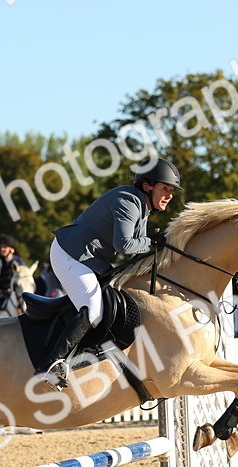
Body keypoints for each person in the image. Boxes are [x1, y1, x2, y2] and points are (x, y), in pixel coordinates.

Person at [40, 157, 181, 388]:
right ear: (148, 185)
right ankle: (50, 364)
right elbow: (124, 246)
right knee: (93, 309)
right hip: (70, 254)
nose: (169, 195)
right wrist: (152, 241)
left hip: (92, 259)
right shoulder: (128, 201)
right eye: (165, 188)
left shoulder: (141, 206)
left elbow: (137, 251)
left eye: (171, 191)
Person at [0, 235, 26, 318]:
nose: (2, 249)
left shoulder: (19, 261)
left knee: (23, 303)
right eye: (1, 247)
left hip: (15, 290)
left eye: (4, 247)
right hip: (0, 290)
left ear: (11, 249)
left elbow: (24, 273)